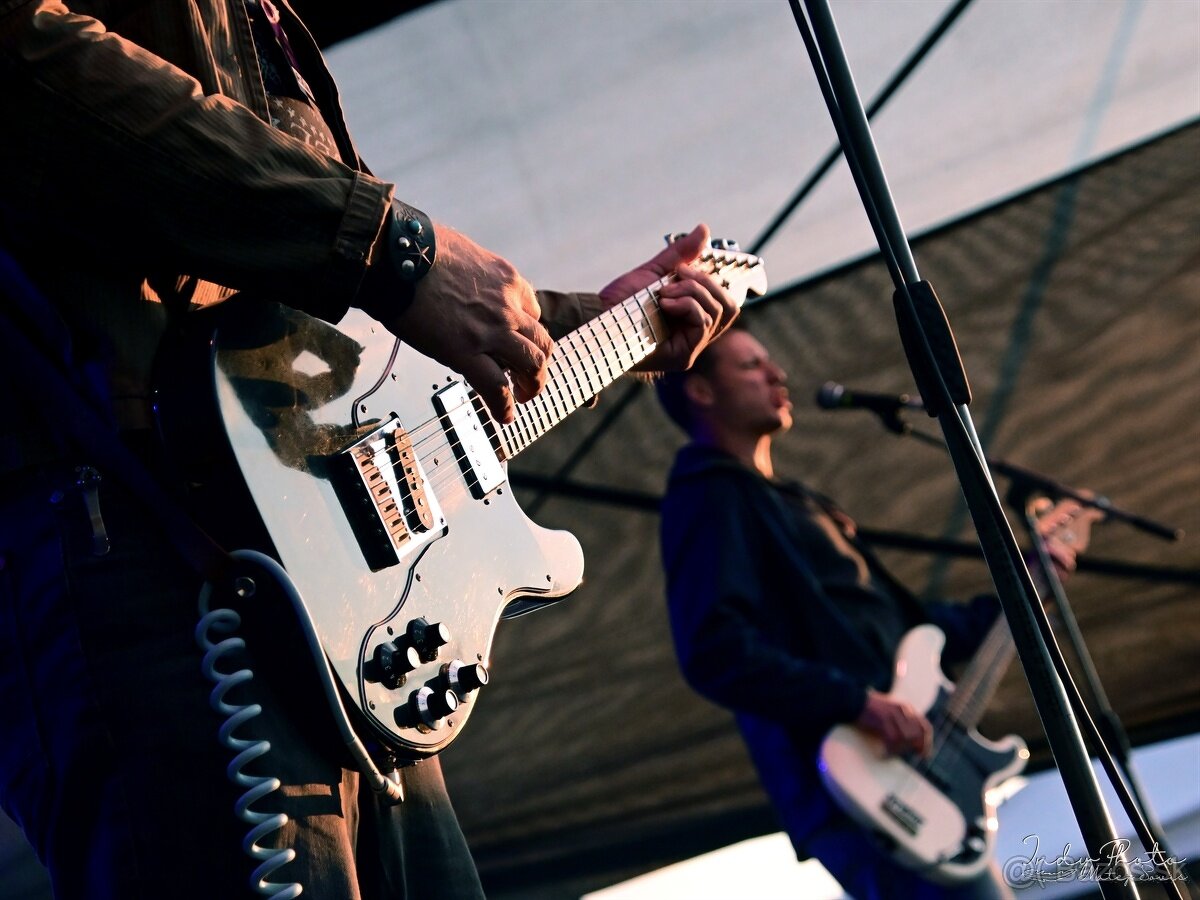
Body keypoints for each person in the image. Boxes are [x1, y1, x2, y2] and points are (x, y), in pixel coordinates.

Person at [0, 2, 738, 898]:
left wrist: (593, 325)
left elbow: (343, 317)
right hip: (131, 535)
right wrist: (395, 249)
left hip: (326, 590)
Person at [655, 326, 1100, 900]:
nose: (777, 374)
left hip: (912, 776)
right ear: (702, 393)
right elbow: (714, 650)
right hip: (857, 783)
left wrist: (1026, 585)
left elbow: (909, 635)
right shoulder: (709, 495)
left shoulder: (797, 502)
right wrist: (860, 704)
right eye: (751, 366)